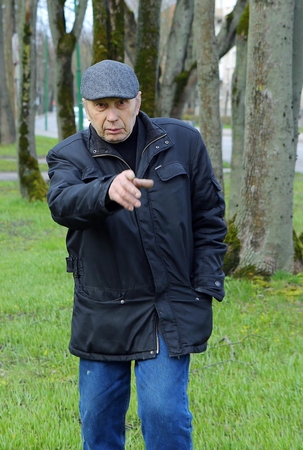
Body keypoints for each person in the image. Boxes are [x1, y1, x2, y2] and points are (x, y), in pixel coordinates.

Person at [46, 59, 227, 450]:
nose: (112, 116)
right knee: (98, 421)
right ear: (86, 106)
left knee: (164, 414)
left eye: (121, 104)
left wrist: (206, 283)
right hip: (102, 309)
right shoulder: (68, 155)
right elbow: (62, 203)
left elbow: (209, 216)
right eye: (100, 106)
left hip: (166, 306)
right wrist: (106, 191)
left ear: (138, 101)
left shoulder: (182, 141)